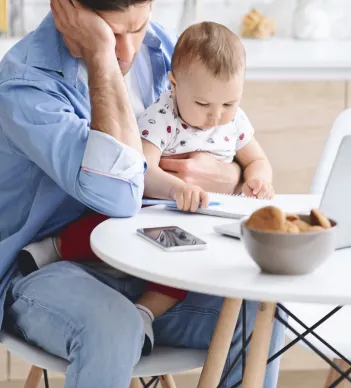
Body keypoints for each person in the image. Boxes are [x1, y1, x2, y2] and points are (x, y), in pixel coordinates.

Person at [0, 0, 285, 388]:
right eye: (110, 32)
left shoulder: (165, 50)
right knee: (113, 326)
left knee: (261, 306)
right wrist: (99, 57)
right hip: (46, 273)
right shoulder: (26, 86)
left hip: (154, 262)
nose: (129, 51)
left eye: (139, 26)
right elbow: (118, 194)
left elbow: (220, 142)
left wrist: (233, 177)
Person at [19, 20, 275, 357]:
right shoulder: (164, 117)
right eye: (203, 104)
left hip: (197, 221)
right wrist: (174, 189)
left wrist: (259, 178)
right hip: (149, 211)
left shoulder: (234, 120)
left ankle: (147, 312)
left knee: (185, 271)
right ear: (173, 83)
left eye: (228, 104)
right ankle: (55, 246)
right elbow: (143, 169)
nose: (216, 117)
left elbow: (256, 159)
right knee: (100, 225)